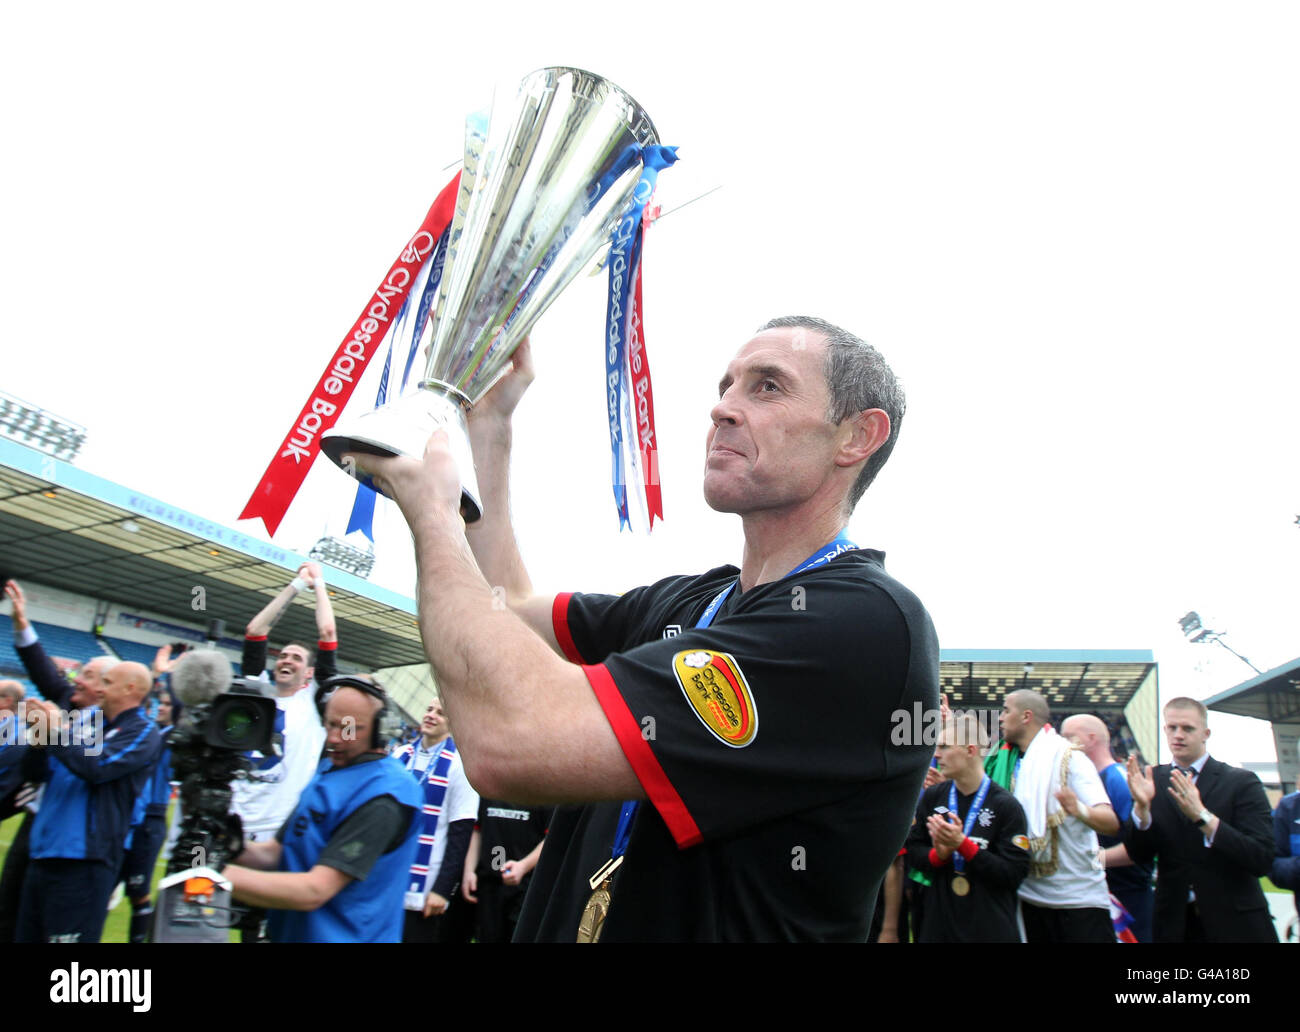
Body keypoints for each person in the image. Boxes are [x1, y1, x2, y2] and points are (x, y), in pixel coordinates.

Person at [348, 316, 940, 942]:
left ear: (857, 435)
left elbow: (511, 739)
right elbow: (508, 607)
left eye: (767, 387)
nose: (722, 409)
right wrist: (490, 426)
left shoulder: (863, 625)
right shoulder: (694, 600)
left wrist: (434, 516)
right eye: (726, 385)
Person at [223, 676, 421, 943]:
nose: (334, 738)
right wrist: (234, 847)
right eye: (330, 724)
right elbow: (276, 853)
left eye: (349, 728)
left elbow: (315, 890)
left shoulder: (387, 795)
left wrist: (216, 875)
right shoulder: (328, 770)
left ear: (381, 730)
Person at [16, 661, 161, 943]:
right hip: (44, 854)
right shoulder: (84, 721)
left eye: (106, 683)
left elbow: (99, 767)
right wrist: (38, 737)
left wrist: (56, 732)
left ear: (130, 689)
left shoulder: (142, 731)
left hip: (85, 859)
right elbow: (35, 775)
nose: (98, 688)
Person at [1, 579, 113, 942]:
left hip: (74, 841)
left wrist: (55, 730)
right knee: (9, 908)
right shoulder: (68, 699)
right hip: (36, 822)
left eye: (87, 675)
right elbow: (39, 667)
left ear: (106, 687)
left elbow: (87, 769)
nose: (75, 679)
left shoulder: (111, 724)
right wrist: (21, 623)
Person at [228, 561, 334, 940]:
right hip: (235, 831)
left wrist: (318, 584)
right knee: (207, 922)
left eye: (296, 658)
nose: (286, 660)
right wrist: (294, 586)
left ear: (309, 673)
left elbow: (327, 632)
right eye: (283, 656)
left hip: (278, 838)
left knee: (263, 933)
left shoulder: (314, 704)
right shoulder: (255, 692)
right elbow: (256, 631)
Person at [1124, 697, 1276, 942]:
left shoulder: (1241, 782)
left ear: (1205, 733)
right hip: (1174, 924)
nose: (1178, 735)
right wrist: (1141, 811)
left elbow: (1261, 858)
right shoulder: (1152, 780)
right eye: (1172, 728)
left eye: (1187, 728)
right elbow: (1138, 855)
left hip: (1235, 924)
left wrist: (1203, 817)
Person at [1000, 689, 1118, 943]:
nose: (1000, 717)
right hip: (1030, 898)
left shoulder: (1069, 758)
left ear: (1026, 716)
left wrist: (1080, 810)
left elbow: (1109, 822)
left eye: (1006, 710)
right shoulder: (1011, 764)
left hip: (1079, 901)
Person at [905, 712, 1030, 942]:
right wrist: (938, 855)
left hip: (989, 927)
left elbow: (1014, 874)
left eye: (944, 746)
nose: (936, 754)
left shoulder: (1006, 806)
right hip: (938, 924)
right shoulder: (933, 797)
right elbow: (913, 851)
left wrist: (963, 846)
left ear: (970, 750)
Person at [390, 698, 479, 942]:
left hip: (424, 886)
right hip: (387, 877)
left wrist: (442, 889)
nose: (431, 715)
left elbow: (460, 834)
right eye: (429, 709)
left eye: (440, 713)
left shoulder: (460, 767)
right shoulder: (400, 756)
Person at [1060, 713, 1155, 942]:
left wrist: (1090, 860)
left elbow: (1139, 849)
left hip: (1129, 898)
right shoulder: (1084, 780)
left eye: (1068, 737)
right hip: (1099, 893)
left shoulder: (1118, 780)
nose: (1062, 744)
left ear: (1091, 739)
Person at [119, 686, 175, 943]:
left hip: (150, 820)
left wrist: (174, 677)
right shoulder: (152, 732)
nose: (161, 707)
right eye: (160, 703)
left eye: (167, 704)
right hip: (129, 816)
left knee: (139, 890)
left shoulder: (172, 736)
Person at [462, 796, 550, 943]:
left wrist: (523, 866)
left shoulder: (540, 791)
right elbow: (477, 830)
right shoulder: (490, 789)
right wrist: (469, 870)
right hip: (489, 884)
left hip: (525, 885)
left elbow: (550, 839)